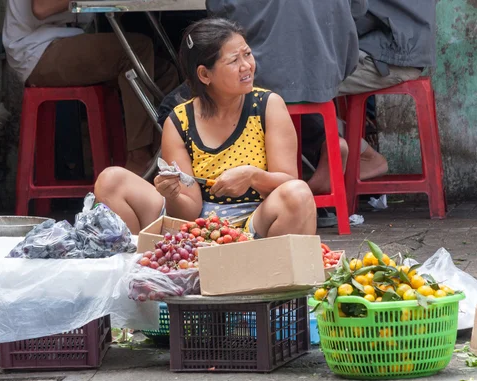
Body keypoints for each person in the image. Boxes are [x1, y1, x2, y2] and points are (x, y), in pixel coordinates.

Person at [94, 18, 317, 237]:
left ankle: (268, 268)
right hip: (194, 229)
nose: (246, 66)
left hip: (255, 221)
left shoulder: (267, 105)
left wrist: (252, 177)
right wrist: (171, 195)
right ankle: (140, 264)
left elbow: (288, 181)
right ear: (204, 74)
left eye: (247, 54)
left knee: (297, 194)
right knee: (111, 180)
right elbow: (188, 212)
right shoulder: (179, 121)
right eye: (233, 61)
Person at [2, 0, 179, 175]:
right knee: (137, 50)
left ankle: (162, 162)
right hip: (36, 49)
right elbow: (41, 7)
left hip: (68, 39)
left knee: (163, 73)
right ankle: (138, 157)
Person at [336, 0, 437, 180]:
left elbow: (353, 17)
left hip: (388, 54)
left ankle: (361, 153)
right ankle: (339, 154)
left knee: (292, 88)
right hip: (408, 50)